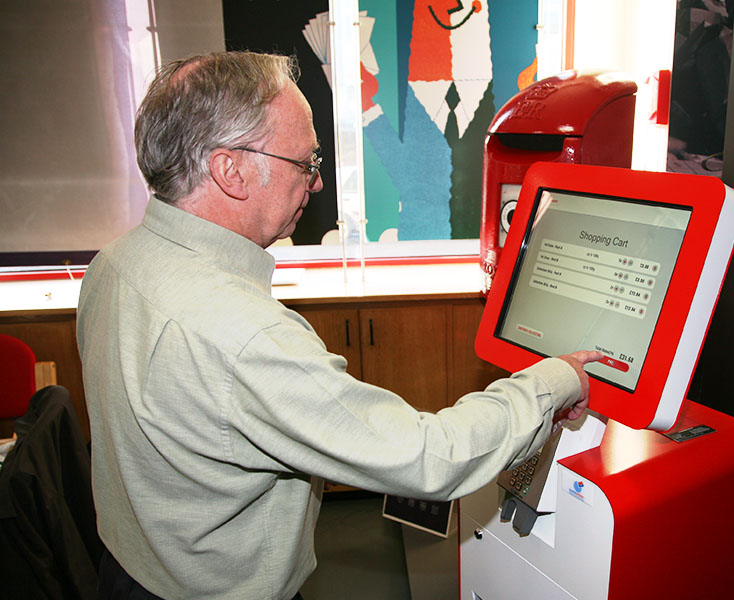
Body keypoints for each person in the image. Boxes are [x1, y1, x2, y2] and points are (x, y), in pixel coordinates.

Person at [76, 51, 602, 600]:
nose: (318, 184)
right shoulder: (243, 336)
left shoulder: (113, 263)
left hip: (129, 571)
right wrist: (555, 380)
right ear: (230, 169)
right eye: (304, 163)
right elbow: (430, 458)